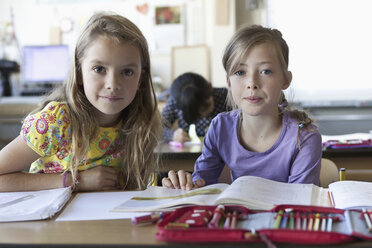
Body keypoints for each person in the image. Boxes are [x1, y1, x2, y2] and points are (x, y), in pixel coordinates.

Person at [0, 12, 161, 192]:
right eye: (99, 69)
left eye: (127, 72)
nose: (113, 84)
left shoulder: (140, 123)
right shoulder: (57, 121)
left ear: (141, 78)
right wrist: (76, 180)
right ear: (79, 73)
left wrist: (175, 183)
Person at [162, 25, 322, 190]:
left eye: (265, 71)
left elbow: (300, 205)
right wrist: (184, 186)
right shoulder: (220, 127)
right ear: (229, 81)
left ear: (285, 79)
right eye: (240, 72)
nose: (252, 83)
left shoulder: (304, 137)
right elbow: (201, 188)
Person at [161, 72, 228, 143]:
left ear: (210, 87)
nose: (204, 114)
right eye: (196, 111)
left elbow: (239, 122)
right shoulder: (175, 101)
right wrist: (172, 135)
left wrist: (224, 130)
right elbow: (157, 130)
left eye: (207, 106)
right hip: (187, 150)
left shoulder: (224, 96)